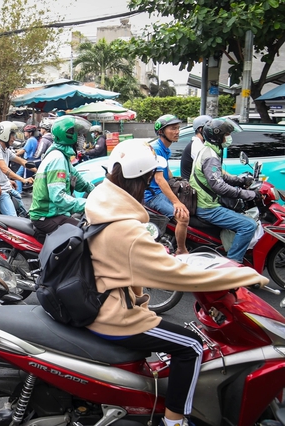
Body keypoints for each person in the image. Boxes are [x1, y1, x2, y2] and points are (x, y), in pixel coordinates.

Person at [85, 139, 268, 426]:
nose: (148, 189)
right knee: (192, 345)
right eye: (148, 181)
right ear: (139, 180)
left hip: (104, 299)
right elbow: (178, 276)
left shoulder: (102, 203)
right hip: (114, 316)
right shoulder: (126, 229)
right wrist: (248, 275)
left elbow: (153, 263)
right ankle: (175, 421)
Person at [190, 118, 259, 263]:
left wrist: (241, 181)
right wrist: (247, 194)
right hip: (208, 207)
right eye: (227, 134)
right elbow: (218, 186)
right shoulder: (210, 156)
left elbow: (218, 177)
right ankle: (233, 263)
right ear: (217, 136)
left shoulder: (209, 151)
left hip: (207, 202)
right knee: (248, 225)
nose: (229, 137)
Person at [29, 116, 95, 235]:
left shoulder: (63, 157)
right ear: (69, 135)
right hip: (46, 217)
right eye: (79, 134)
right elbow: (59, 198)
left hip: (55, 213)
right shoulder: (57, 158)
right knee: (84, 234)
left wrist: (98, 192)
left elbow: (81, 183)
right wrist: (90, 204)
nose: (82, 138)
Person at [144, 114, 189, 255]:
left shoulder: (164, 148)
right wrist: (176, 203)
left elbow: (166, 172)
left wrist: (180, 180)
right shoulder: (157, 149)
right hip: (153, 195)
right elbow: (159, 179)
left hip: (160, 192)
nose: (177, 132)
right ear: (161, 132)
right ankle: (181, 249)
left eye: (178, 128)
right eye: (173, 129)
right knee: (183, 217)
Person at [0, 121, 37, 217]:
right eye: (12, 135)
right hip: (0, 191)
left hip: (7, 187)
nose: (14, 138)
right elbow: (5, 170)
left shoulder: (5, 150)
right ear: (5, 135)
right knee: (14, 219)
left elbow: (22, 162)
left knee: (24, 213)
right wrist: (23, 180)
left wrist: (39, 171)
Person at [180, 115, 212, 180]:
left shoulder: (202, 144)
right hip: (194, 188)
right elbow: (211, 168)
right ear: (201, 129)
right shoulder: (196, 146)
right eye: (209, 128)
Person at [15, 124, 38, 193]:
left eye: (25, 132)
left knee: (17, 175)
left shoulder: (30, 140)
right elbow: (23, 148)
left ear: (30, 133)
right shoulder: (34, 140)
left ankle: (19, 191)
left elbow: (23, 151)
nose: (24, 133)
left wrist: (13, 155)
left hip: (27, 161)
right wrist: (16, 150)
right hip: (30, 160)